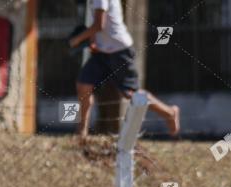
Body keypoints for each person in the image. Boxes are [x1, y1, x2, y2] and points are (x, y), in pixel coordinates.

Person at [68, 0, 180, 138]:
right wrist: (93, 40)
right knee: (83, 85)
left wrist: (77, 39)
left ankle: (169, 112)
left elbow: (99, 25)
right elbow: (102, 24)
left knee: (131, 94)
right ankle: (82, 132)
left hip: (120, 51)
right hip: (102, 52)